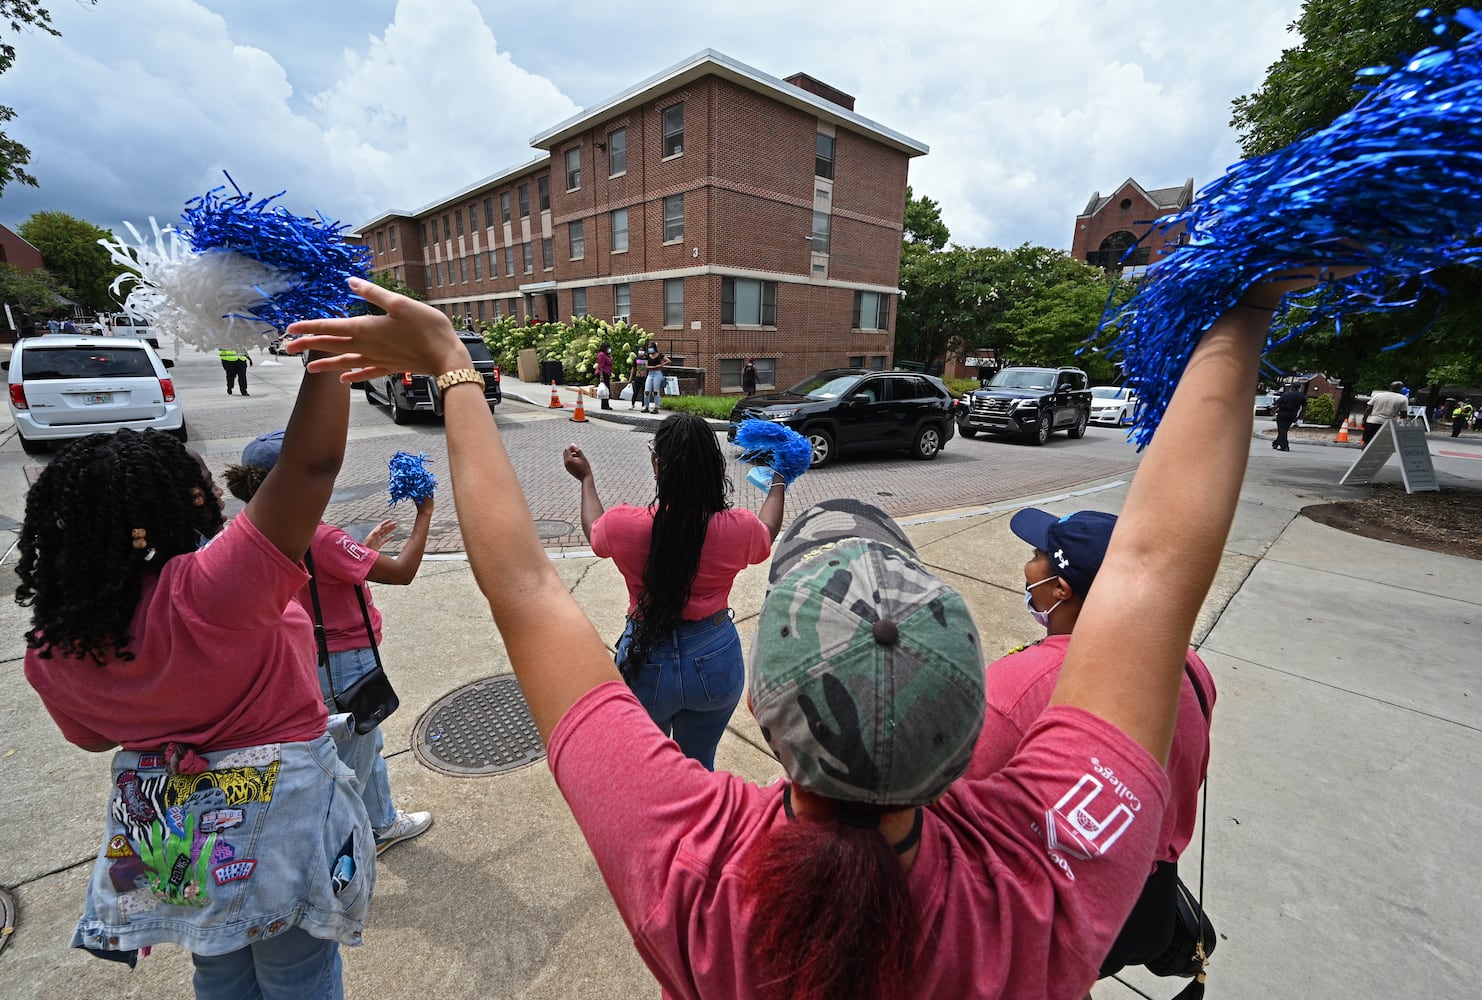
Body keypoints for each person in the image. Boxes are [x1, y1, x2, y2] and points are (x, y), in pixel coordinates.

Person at [287, 265, 1329, 998]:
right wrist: (1242, 304)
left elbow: (522, 583)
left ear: (768, 714)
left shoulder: (687, 861)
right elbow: (1148, 571)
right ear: (971, 733)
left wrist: (455, 368)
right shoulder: (1047, 868)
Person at [19, 349, 373, 997]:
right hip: (280, 830)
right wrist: (328, 356)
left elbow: (93, 739)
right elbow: (313, 465)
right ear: (173, 506)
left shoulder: (55, 645)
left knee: (213, 963)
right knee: (298, 972)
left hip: (169, 839)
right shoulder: (213, 588)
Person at [968, 507, 1215, 980]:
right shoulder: (1188, 665)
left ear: (1061, 590)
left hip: (1050, 918)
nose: (1029, 565)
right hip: (1144, 906)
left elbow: (938, 811)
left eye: (1038, 555)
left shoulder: (1014, 689)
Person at [224, 434, 435, 855]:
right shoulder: (320, 536)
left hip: (304, 657)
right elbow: (403, 571)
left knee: (337, 742)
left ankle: (367, 823)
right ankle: (370, 831)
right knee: (360, 745)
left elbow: (317, 575)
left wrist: (363, 551)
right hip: (345, 661)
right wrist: (425, 513)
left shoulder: (250, 530)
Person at [562, 413, 785, 768]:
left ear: (657, 464)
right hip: (715, 661)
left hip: (645, 659)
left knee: (648, 771)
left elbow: (594, 534)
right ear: (714, 467)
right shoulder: (739, 529)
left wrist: (586, 479)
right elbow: (768, 529)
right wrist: (779, 480)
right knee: (699, 765)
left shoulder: (623, 526)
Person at [1362, 380, 1409, 446]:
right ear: (1401, 389)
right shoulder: (1403, 399)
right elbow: (1403, 415)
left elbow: (1368, 409)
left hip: (1372, 421)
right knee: (1381, 444)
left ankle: (1364, 455)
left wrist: (1364, 420)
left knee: (1366, 442)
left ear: (1390, 387)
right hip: (1387, 424)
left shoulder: (1378, 395)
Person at [1272, 381, 1308, 451]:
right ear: (1299, 388)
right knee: (1284, 430)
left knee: (1282, 430)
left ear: (1292, 387)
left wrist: (1273, 411)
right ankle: (1276, 443)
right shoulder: (1302, 396)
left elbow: (1277, 405)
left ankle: (1284, 446)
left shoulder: (1286, 395)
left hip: (1282, 414)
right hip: (1292, 415)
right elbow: (1304, 408)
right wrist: (1300, 417)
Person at [642, 340, 669, 414]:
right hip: (650, 374)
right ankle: (646, 406)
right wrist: (653, 367)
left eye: (651, 347)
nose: (650, 349)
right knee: (647, 391)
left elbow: (668, 361)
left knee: (656, 391)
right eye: (649, 348)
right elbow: (646, 366)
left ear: (654, 348)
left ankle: (656, 407)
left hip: (657, 374)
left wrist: (660, 365)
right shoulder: (648, 356)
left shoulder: (660, 355)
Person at [595, 341, 614, 410]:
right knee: (605, 389)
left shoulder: (606, 355)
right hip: (603, 373)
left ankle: (605, 404)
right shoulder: (601, 355)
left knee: (606, 389)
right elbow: (601, 366)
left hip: (607, 373)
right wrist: (601, 376)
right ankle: (605, 405)